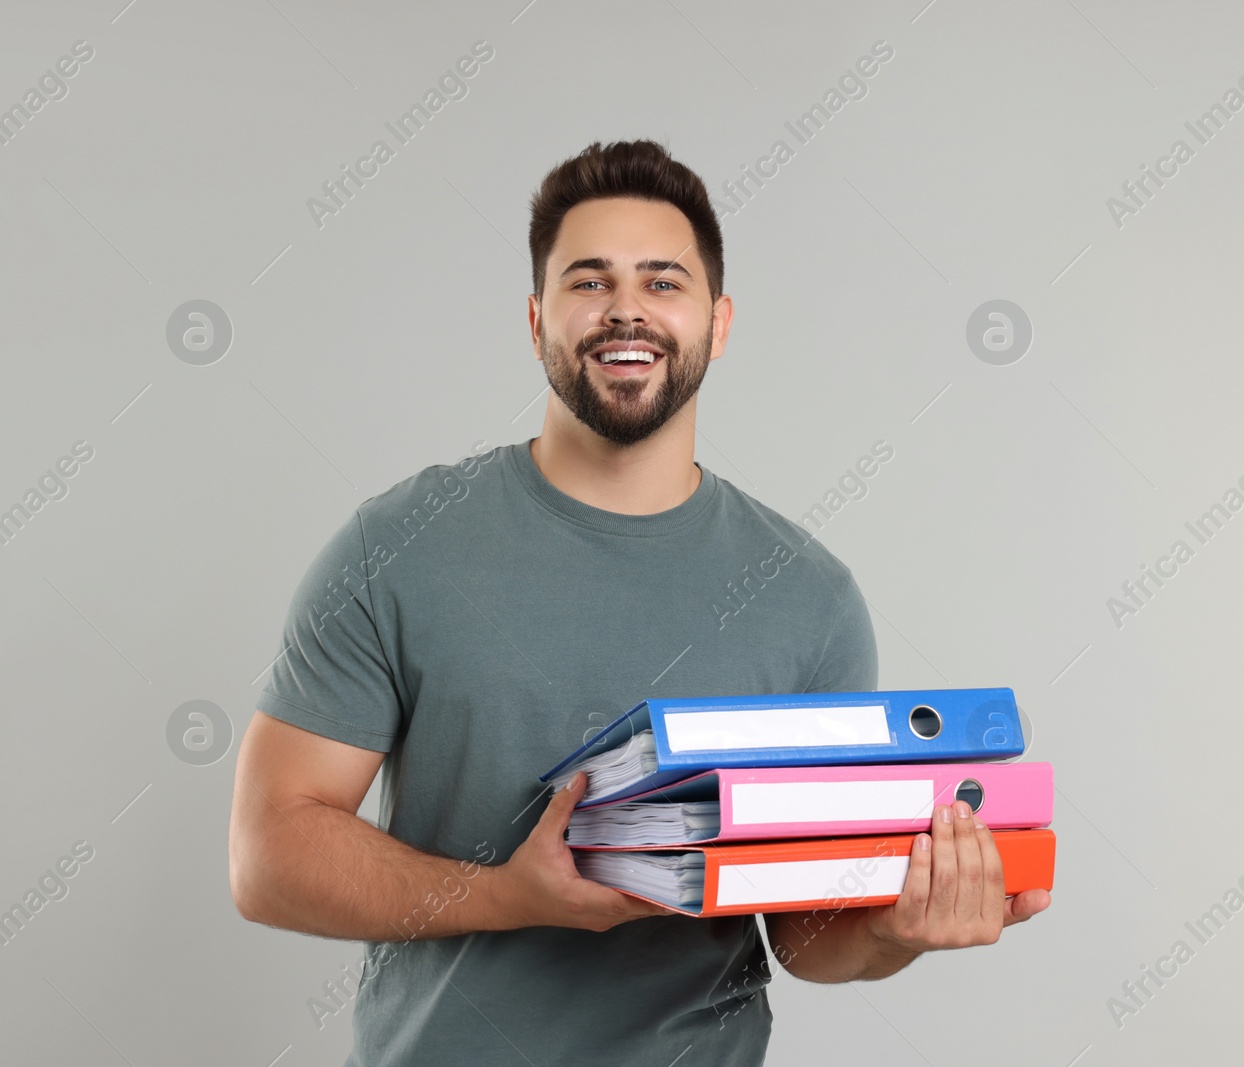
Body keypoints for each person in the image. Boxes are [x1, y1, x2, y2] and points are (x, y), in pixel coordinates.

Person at [227, 138, 1050, 1065]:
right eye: (589, 282)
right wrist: (508, 895)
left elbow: (806, 933)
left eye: (664, 282)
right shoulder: (402, 547)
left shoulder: (809, 600)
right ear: (537, 318)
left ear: (719, 320)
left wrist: (901, 925)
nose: (626, 308)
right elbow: (270, 854)